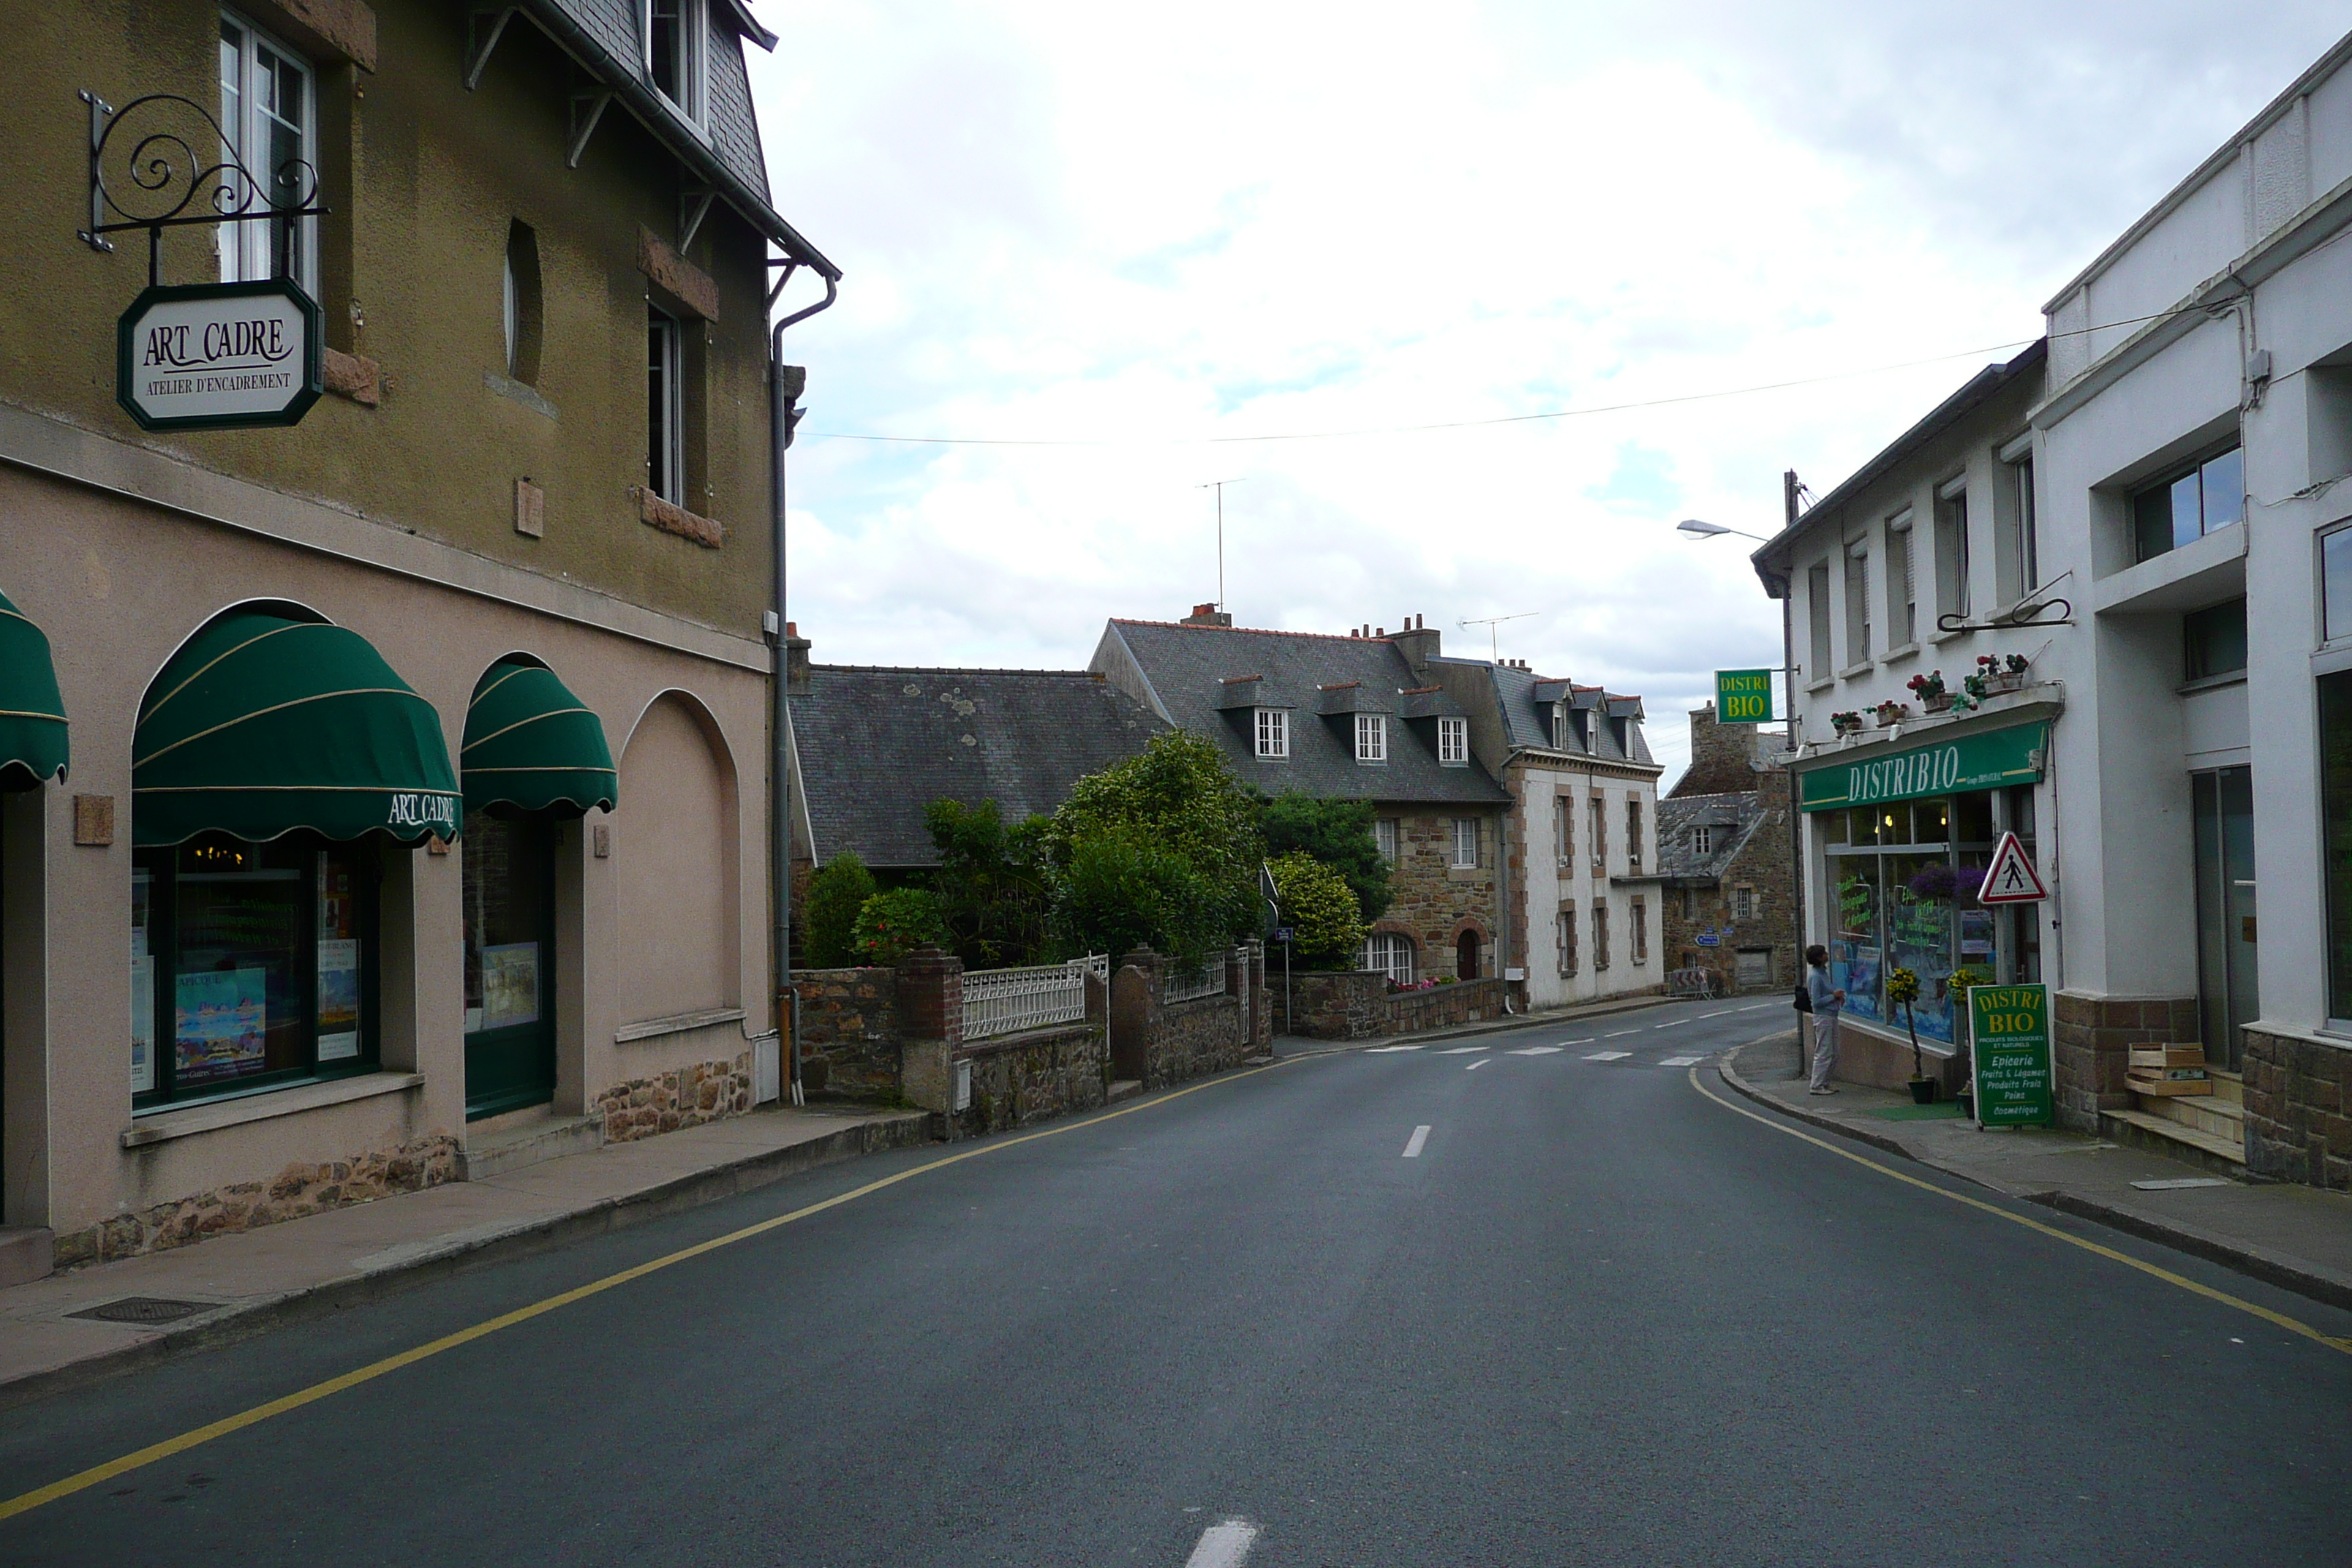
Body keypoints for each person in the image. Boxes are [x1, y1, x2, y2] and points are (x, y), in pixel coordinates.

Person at [1804, 944, 1844, 1095]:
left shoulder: (1823, 973)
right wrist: (1832, 997)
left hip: (1831, 1016)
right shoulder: (1815, 976)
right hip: (1823, 1018)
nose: (1827, 955)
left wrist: (1836, 997)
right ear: (1819, 958)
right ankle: (1816, 1085)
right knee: (1824, 1051)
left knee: (1834, 1052)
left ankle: (1825, 1083)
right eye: (1824, 954)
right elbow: (1815, 1002)